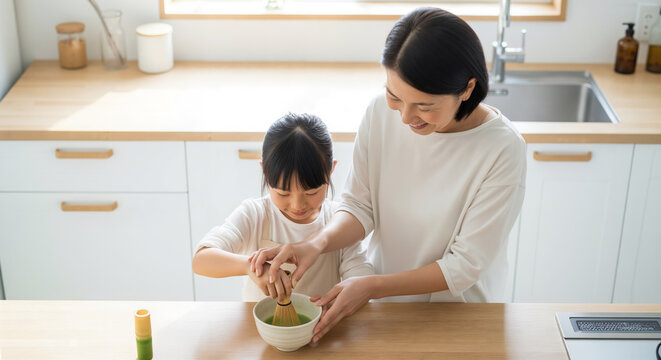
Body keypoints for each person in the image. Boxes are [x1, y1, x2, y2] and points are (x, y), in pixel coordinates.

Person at [249, 7, 527, 343]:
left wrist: (372, 287)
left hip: (461, 312)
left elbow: (465, 265)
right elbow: (359, 207)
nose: (406, 117)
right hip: (386, 305)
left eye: (424, 105)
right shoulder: (379, 113)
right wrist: (314, 244)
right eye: (395, 95)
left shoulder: (502, 148)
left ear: (466, 89)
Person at [193, 113, 373, 302]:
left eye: (311, 193)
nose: (297, 205)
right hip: (259, 328)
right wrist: (250, 267)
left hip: (321, 325)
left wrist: (346, 293)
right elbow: (201, 259)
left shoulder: (341, 221)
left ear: (330, 172)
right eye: (283, 194)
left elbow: (361, 275)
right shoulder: (254, 214)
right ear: (264, 171)